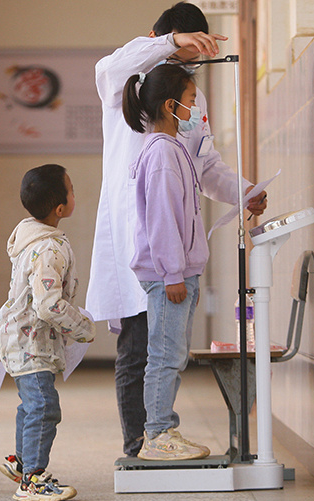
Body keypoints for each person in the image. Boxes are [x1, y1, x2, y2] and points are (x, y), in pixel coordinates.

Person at [87, 1, 268, 458]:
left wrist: (244, 191)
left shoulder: (193, 102)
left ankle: (158, 434)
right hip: (139, 237)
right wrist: (169, 44)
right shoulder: (125, 78)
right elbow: (111, 66)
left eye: (193, 64)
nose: (188, 73)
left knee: (167, 350)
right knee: (138, 347)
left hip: (175, 244)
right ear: (158, 38)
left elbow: (207, 166)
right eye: (182, 56)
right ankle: (140, 443)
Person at [0, 164, 95, 501]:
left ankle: (22, 462)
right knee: (44, 407)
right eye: (71, 188)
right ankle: (33, 478)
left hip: (25, 339)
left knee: (31, 404)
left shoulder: (34, 239)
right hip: (30, 342)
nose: (73, 194)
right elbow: (48, 305)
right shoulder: (48, 249)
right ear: (60, 208)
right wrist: (82, 327)